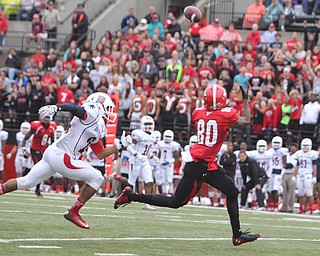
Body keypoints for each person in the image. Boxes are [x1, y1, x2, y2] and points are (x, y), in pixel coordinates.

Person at [114, 84, 261, 246]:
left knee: (232, 191)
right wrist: (246, 99)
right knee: (176, 202)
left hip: (207, 163)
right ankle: (131, 196)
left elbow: (213, 118)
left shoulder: (198, 113)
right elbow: (245, 119)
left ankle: (237, 235)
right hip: (199, 165)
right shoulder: (226, 115)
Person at [0, 92, 132, 229]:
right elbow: (74, 108)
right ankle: (73, 211)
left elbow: (100, 153)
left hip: (53, 153)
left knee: (26, 181)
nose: (110, 113)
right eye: (109, 109)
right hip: (63, 156)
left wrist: (119, 146)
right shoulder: (94, 112)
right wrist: (56, 107)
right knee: (97, 177)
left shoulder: (97, 125)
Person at [22, 115, 57, 197]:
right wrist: (24, 149)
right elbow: (25, 138)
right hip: (35, 149)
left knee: (43, 169)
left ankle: (36, 188)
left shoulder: (52, 126)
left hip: (44, 150)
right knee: (40, 168)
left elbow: (52, 140)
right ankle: (34, 188)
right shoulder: (36, 126)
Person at [292, 138, 318, 214]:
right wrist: (294, 175)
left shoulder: (313, 154)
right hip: (300, 174)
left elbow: (314, 166)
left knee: (309, 193)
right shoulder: (299, 153)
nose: (305, 147)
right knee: (300, 193)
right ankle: (301, 208)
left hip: (308, 175)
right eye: (304, 145)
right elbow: (297, 165)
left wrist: (314, 176)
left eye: (307, 146)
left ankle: (311, 208)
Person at [267, 136, 288, 211]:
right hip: (271, 171)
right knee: (269, 189)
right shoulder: (270, 151)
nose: (276, 144)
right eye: (275, 142)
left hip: (278, 170)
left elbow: (285, 161)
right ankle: (270, 204)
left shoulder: (283, 151)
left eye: (277, 143)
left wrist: (283, 170)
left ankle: (276, 205)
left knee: (275, 189)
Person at [157, 130, 181, 195]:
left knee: (170, 180)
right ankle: (164, 193)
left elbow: (177, 156)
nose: (167, 138)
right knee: (163, 180)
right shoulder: (160, 144)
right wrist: (159, 161)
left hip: (169, 164)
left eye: (169, 136)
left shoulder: (174, 145)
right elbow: (158, 154)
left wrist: (170, 161)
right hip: (162, 164)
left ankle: (171, 193)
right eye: (166, 136)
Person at [281, 143, 298, 213]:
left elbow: (290, 165)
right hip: (285, 173)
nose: (292, 148)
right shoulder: (287, 155)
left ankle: (291, 207)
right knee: (284, 191)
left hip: (291, 174)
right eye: (292, 147)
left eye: (294, 147)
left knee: (291, 192)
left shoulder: (296, 155)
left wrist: (284, 164)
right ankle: (284, 207)